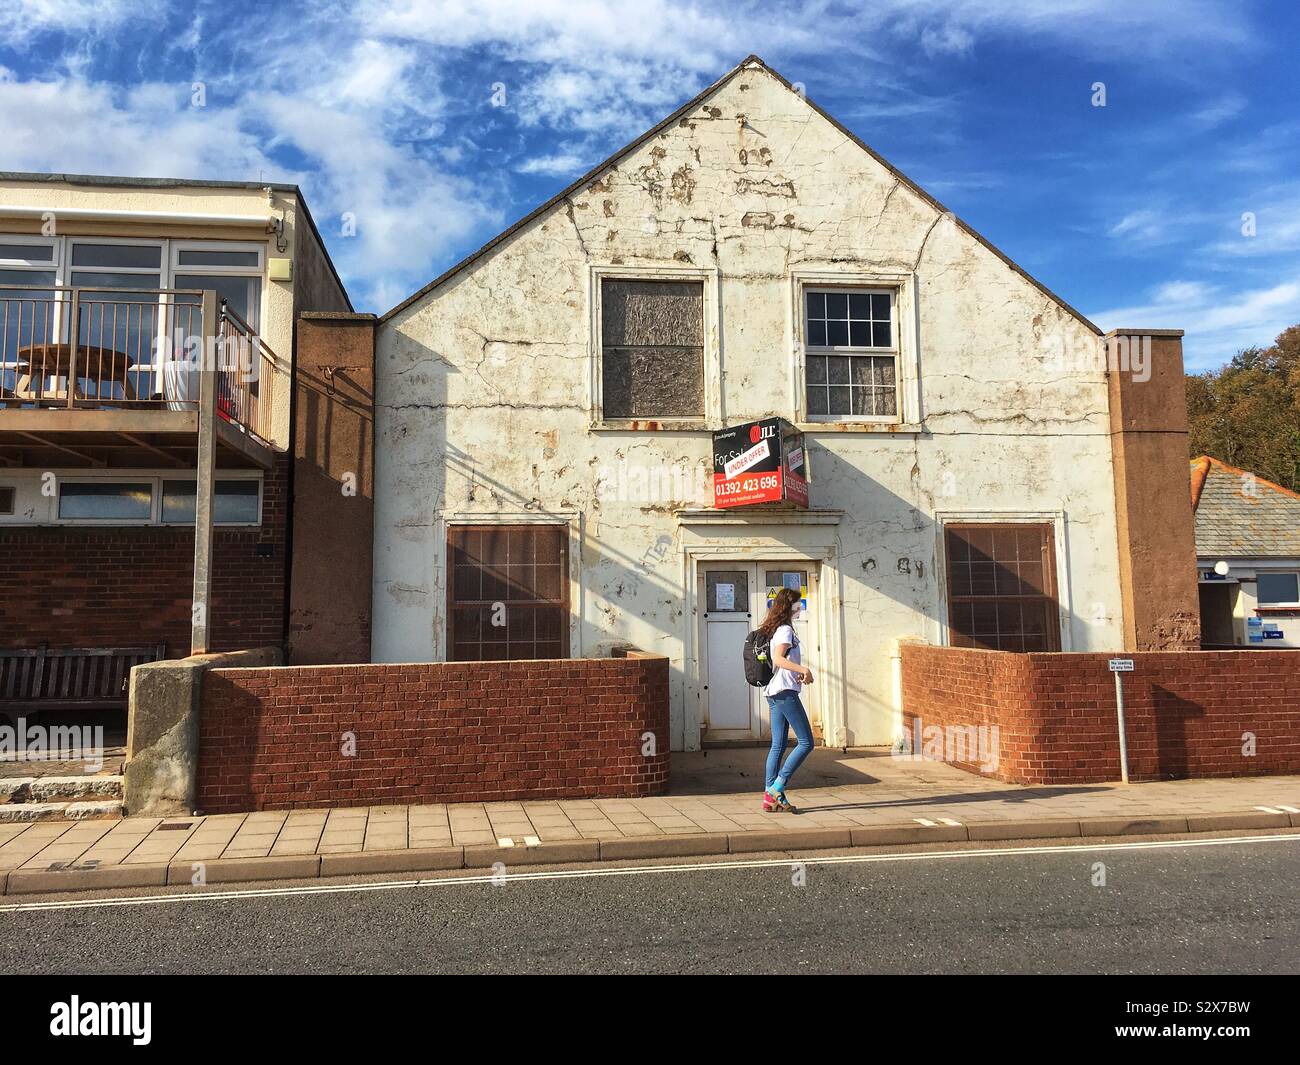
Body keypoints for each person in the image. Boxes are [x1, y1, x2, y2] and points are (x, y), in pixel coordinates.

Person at [759, 586, 814, 812]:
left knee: (778, 745)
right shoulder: (784, 630)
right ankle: (776, 787)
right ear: (790, 606)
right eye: (798, 604)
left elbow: (780, 663)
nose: (800, 607)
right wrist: (804, 669)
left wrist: (798, 673)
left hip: (776, 691)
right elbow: (779, 659)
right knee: (806, 742)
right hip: (783, 693)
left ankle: (771, 798)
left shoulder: (780, 629)